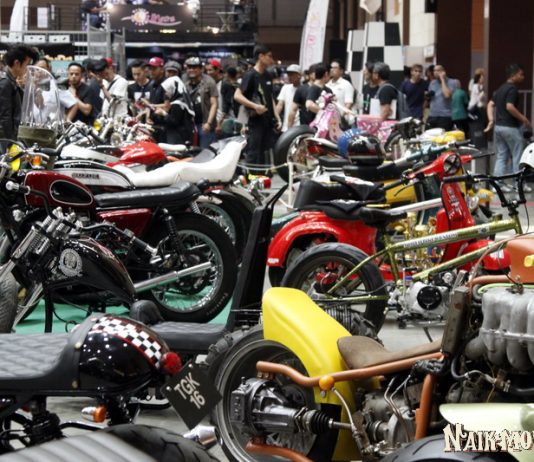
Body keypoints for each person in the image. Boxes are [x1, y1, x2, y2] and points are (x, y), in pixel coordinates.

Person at [234, 43, 281, 170]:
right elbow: (237, 95)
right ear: (261, 56)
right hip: (254, 121)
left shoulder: (268, 75)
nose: (271, 59)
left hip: (267, 121)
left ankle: (262, 178)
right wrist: (255, 106)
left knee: (265, 153)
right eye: (269, 56)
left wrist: (277, 117)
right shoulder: (250, 75)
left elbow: (270, 97)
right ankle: (251, 179)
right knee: (253, 153)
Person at [486, 63, 533, 192]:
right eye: (521, 74)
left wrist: (491, 120)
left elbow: (490, 104)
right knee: (518, 156)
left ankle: (497, 185)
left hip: (499, 127)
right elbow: (509, 106)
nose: (523, 77)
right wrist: (524, 119)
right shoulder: (512, 89)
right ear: (514, 75)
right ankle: (519, 185)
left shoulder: (500, 89)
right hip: (510, 127)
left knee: (502, 156)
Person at [0, 44, 38, 144]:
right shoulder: (5, 83)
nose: (28, 69)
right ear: (17, 63)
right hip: (5, 140)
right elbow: (5, 117)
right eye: (27, 64)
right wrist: (11, 143)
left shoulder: (11, 81)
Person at [184, 55, 218, 148]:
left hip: (205, 124)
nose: (191, 70)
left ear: (201, 69)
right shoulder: (185, 83)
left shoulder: (209, 82)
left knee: (206, 152)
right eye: (189, 67)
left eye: (194, 67)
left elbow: (214, 104)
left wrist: (209, 123)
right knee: (191, 152)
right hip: (191, 125)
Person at [35, 57, 77, 123]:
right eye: (37, 69)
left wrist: (68, 120)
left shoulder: (56, 85)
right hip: (32, 127)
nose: (39, 71)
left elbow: (74, 104)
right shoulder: (30, 86)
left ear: (49, 69)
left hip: (52, 127)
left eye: (42, 68)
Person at [426, 64, 457, 130]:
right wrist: (427, 95)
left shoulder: (452, 82)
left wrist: (442, 79)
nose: (435, 72)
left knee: (442, 135)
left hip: (445, 116)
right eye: (434, 70)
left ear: (443, 72)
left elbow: (447, 95)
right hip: (432, 114)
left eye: (438, 70)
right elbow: (430, 98)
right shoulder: (432, 83)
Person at [275, 64, 301, 132]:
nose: (289, 76)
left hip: (300, 126)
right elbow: (280, 105)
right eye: (288, 74)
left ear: (299, 75)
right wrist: (276, 118)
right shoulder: (285, 88)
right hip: (286, 127)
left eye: (292, 74)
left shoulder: (304, 89)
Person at [147, 56, 167, 142]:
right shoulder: (152, 84)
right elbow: (150, 103)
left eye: (154, 68)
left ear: (162, 69)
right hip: (153, 124)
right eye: (150, 68)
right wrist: (148, 117)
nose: (151, 71)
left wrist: (151, 105)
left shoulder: (167, 84)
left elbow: (169, 105)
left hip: (165, 124)